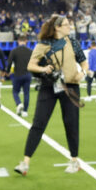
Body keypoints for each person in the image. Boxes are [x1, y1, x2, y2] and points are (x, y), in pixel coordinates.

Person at [15, 15, 88, 176]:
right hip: (49, 86)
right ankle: (25, 163)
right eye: (67, 24)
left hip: (70, 87)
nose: (70, 27)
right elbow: (31, 65)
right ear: (57, 27)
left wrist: (82, 72)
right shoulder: (44, 44)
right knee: (38, 123)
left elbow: (84, 61)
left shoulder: (73, 43)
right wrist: (44, 69)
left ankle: (74, 160)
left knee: (71, 124)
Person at [6, 38, 34, 116]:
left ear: (18, 41)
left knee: (15, 92)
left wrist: (7, 72)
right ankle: (25, 111)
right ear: (26, 41)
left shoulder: (14, 51)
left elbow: (9, 63)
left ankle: (19, 103)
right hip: (28, 74)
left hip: (17, 74)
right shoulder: (30, 51)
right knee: (26, 93)